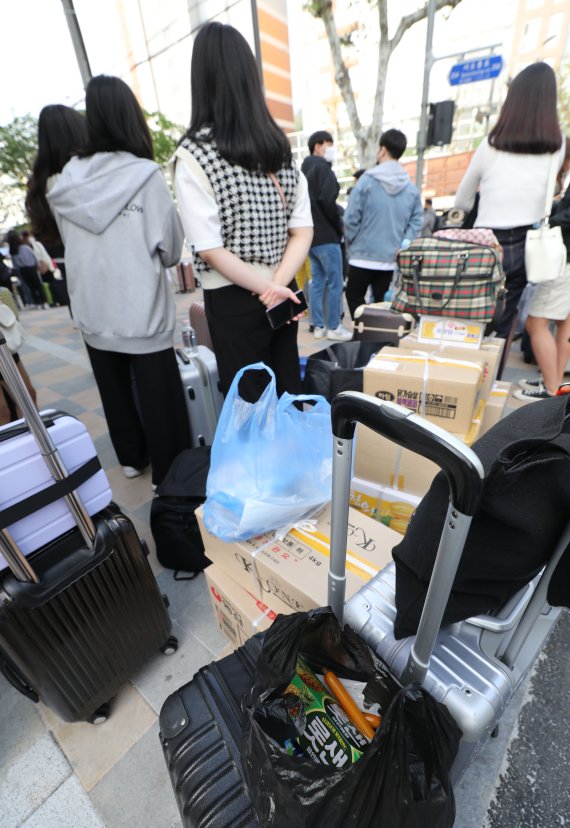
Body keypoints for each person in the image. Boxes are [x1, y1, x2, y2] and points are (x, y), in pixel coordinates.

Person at [47, 75, 191, 487]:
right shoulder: (145, 176)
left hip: (93, 310)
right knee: (161, 404)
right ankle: (172, 477)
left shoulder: (64, 182)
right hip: (141, 310)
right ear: (131, 117)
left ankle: (131, 458)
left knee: (114, 393)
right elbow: (172, 250)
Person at [172, 22, 313, 400]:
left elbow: (209, 248)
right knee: (288, 391)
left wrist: (267, 289)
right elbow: (302, 230)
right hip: (283, 293)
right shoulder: (278, 148)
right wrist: (278, 287)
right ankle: (294, 458)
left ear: (200, 80)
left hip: (235, 298)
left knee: (251, 404)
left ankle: (260, 461)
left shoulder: (194, 156)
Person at [455, 62, 564, 343]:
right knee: (503, 324)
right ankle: (490, 382)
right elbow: (550, 191)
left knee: (469, 317)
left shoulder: (491, 142)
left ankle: (460, 378)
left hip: (484, 242)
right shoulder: (557, 144)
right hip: (527, 243)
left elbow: (462, 199)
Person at [343, 129, 423, 319]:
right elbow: (417, 220)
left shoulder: (367, 181)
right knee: (382, 303)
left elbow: (350, 218)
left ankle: (363, 337)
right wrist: (403, 244)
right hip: (390, 258)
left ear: (382, 150)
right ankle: (379, 341)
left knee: (354, 297)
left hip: (362, 255)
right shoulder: (410, 188)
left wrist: (353, 241)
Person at [514, 179, 570, 400]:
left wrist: (546, 220)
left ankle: (550, 387)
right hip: (566, 258)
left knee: (535, 322)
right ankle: (555, 382)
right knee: (564, 323)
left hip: (563, 259)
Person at [301, 130, 351, 341]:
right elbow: (328, 201)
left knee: (317, 283)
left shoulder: (303, 170)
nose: (331, 149)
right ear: (318, 146)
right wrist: (338, 227)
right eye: (329, 144)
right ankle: (334, 327)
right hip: (327, 236)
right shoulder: (324, 169)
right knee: (335, 282)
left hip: (310, 237)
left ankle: (319, 326)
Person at [6, 230, 46, 308]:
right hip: (32, 268)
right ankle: (44, 302)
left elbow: (15, 265)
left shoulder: (13, 251)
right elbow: (34, 257)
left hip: (22, 270)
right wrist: (37, 265)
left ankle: (37, 303)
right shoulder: (25, 247)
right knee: (38, 286)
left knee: (31, 287)